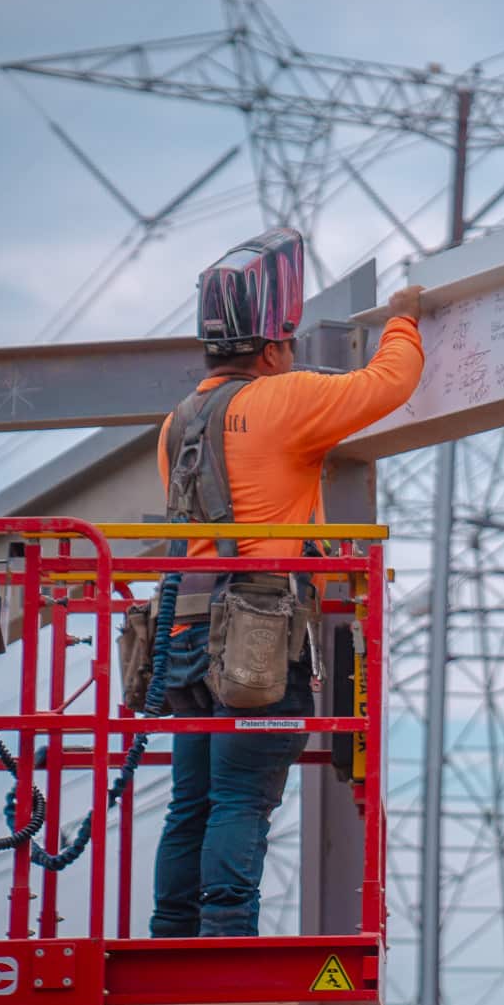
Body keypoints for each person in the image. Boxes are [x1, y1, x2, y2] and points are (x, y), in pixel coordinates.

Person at [149, 228, 426, 938]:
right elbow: (388, 384)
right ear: (272, 347)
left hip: (182, 634)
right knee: (243, 793)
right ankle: (226, 934)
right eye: (291, 344)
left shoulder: (176, 422)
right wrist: (405, 318)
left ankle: (175, 929)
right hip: (257, 641)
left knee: (196, 799)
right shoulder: (285, 400)